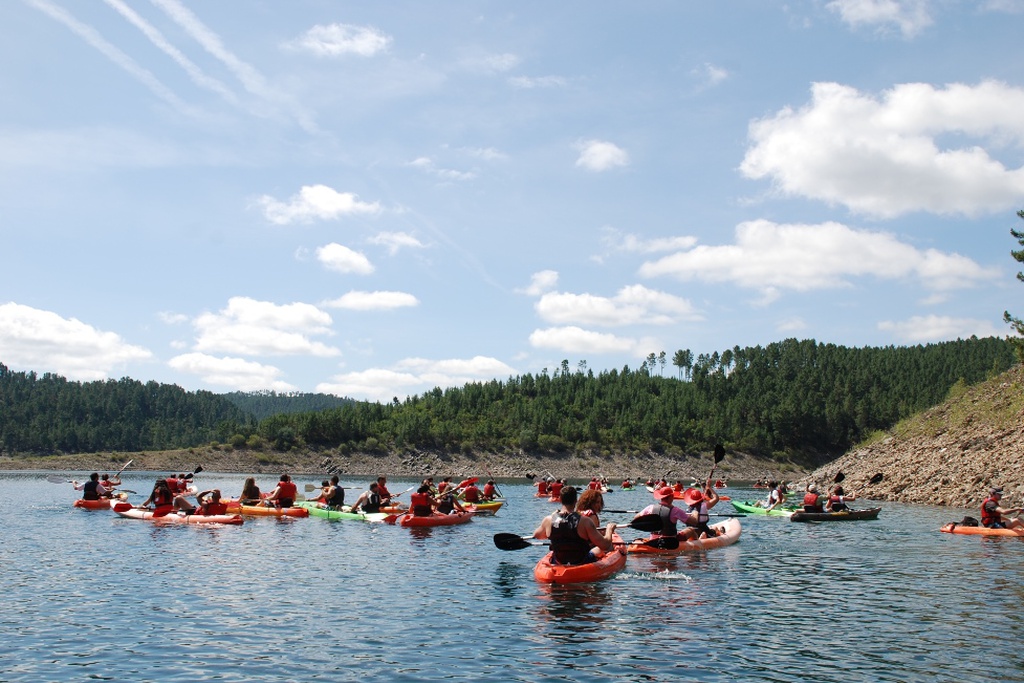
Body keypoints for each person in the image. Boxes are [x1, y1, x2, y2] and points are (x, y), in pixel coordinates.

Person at [533, 486, 617, 565]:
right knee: (604, 548)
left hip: (558, 561)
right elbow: (605, 545)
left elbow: (537, 535)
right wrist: (609, 529)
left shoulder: (548, 520)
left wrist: (553, 530)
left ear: (561, 500)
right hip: (582, 561)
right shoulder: (585, 521)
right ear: (575, 500)